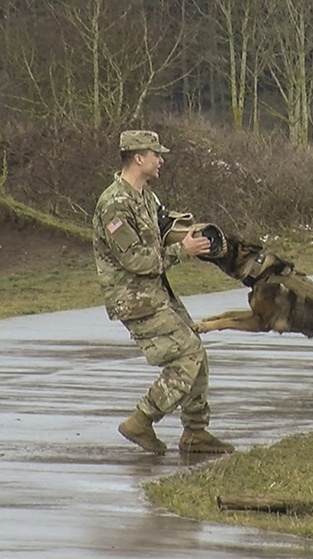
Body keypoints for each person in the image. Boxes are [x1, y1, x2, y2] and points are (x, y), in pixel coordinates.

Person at [92, 130, 234, 456]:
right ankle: (141, 420)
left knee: (197, 352)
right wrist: (184, 251)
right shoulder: (114, 205)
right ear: (138, 158)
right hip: (133, 298)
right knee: (187, 355)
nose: (161, 160)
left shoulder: (144, 196)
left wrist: (188, 233)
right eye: (156, 154)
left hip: (155, 292)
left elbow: (162, 226)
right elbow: (135, 260)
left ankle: (196, 432)